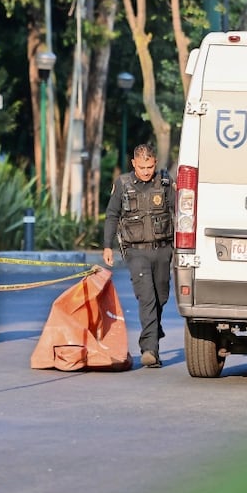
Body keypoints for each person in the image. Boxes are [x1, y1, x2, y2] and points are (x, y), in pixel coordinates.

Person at [102, 143, 175, 368]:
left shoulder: (164, 183)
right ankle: (150, 350)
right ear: (134, 163)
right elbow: (112, 216)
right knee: (147, 298)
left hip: (163, 249)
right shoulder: (123, 184)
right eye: (142, 167)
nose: (146, 171)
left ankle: (154, 331)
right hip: (136, 252)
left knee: (161, 296)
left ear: (155, 163)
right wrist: (107, 246)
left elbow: (180, 211)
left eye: (150, 166)